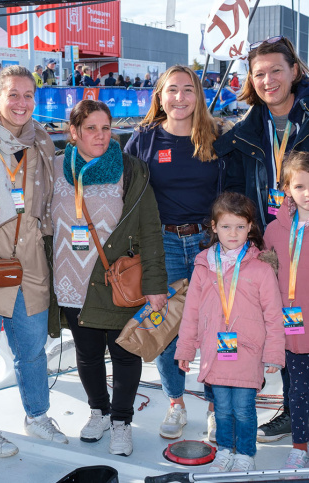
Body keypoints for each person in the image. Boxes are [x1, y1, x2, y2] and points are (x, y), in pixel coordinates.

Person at [0, 65, 67, 457]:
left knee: (32, 346)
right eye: (13, 95)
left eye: (28, 96)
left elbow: (52, 199)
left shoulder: (42, 141)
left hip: (31, 256)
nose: (21, 103)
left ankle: (37, 415)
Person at [50, 99, 167, 456]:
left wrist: (155, 287)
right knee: (86, 354)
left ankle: (121, 421)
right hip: (70, 280)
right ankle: (98, 412)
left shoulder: (130, 170)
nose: (100, 136)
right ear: (73, 132)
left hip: (115, 282)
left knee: (124, 354)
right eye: (90, 129)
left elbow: (149, 229)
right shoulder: (55, 168)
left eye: (105, 128)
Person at [213, 36, 309, 442]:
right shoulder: (244, 131)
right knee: (285, 330)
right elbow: (232, 192)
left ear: (294, 71)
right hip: (270, 243)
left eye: (276, 70)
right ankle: (294, 408)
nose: (268, 79)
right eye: (259, 73)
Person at [124, 65, 225, 441]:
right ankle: (176, 403)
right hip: (161, 243)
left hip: (209, 243)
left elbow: (231, 194)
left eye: (188, 90)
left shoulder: (215, 137)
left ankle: (217, 407)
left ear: (198, 96)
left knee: (216, 326)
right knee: (164, 329)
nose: (179, 98)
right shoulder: (143, 139)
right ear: (160, 96)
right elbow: (126, 194)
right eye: (172, 90)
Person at [176, 191, 285, 472]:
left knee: (245, 410)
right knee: (222, 408)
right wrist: (186, 348)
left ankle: (245, 454)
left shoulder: (261, 267)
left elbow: (273, 316)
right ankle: (225, 450)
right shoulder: (203, 266)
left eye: (240, 226)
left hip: (247, 351)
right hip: (216, 350)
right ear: (213, 227)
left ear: (250, 227)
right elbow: (191, 313)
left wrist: (273, 353)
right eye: (225, 226)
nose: (233, 233)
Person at [264, 152, 309, 470]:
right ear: (287, 188)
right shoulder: (274, 230)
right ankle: (300, 445)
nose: (307, 193)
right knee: (297, 391)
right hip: (291, 328)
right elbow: (265, 279)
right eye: (300, 186)